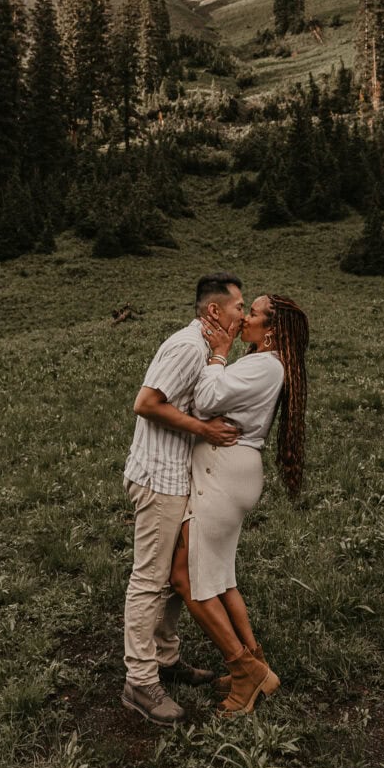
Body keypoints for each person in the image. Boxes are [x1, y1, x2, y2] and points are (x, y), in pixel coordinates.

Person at [170, 294, 309, 716]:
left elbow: (207, 401)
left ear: (270, 329)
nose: (244, 318)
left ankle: (242, 668)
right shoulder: (268, 364)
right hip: (233, 474)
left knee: (187, 580)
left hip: (224, 474)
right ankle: (258, 665)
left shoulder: (264, 364)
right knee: (221, 578)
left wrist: (219, 353)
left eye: (253, 313)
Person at [121, 273, 246, 727]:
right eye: (238, 307)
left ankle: (165, 659)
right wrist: (205, 430)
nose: (244, 314)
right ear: (214, 310)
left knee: (176, 577)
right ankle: (139, 682)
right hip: (159, 478)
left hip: (180, 477)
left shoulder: (206, 349)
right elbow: (146, 403)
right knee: (149, 579)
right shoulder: (187, 347)